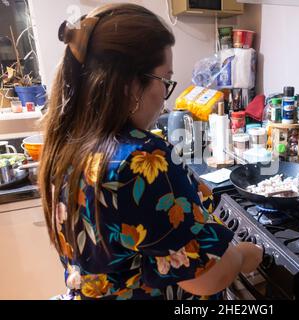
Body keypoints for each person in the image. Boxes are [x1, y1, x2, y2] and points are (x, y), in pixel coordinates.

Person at [39, 3, 263, 300]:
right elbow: (205, 279)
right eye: (166, 80)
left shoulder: (64, 145)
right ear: (130, 84)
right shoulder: (142, 159)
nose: (165, 99)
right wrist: (245, 255)